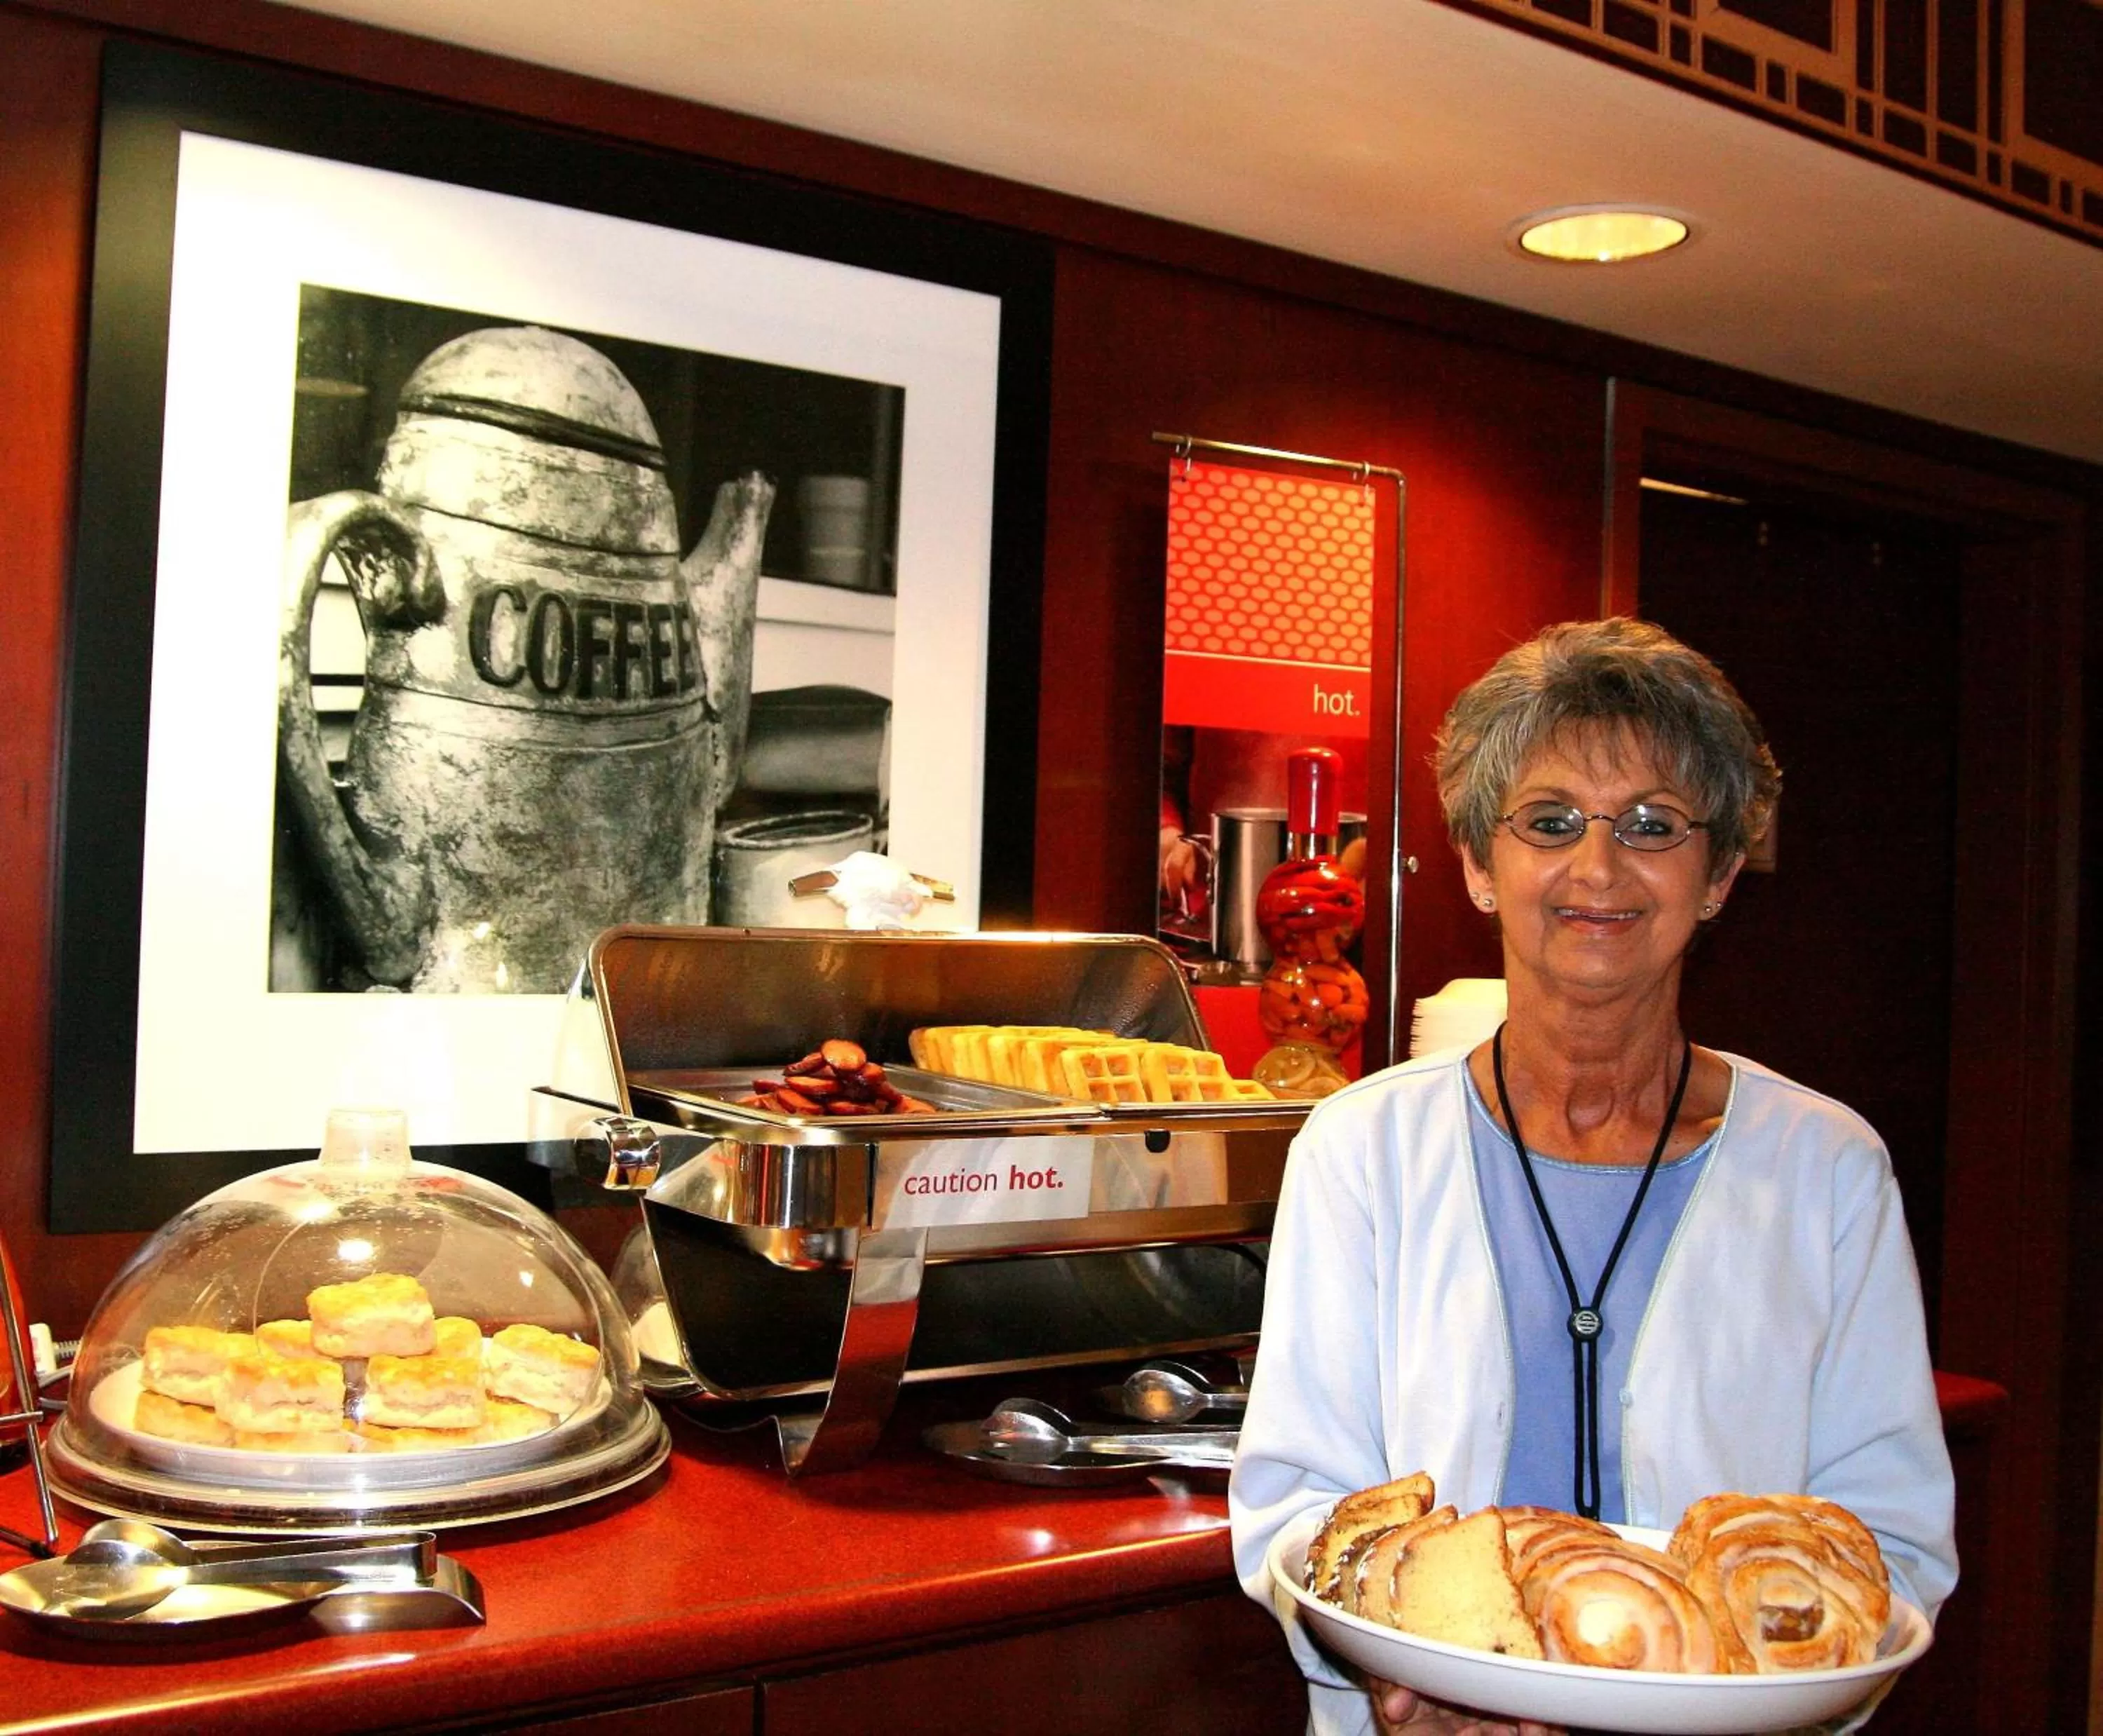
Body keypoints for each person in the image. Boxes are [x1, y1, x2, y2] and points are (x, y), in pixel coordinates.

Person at [1228, 618, 1956, 1736]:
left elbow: (1889, 1544)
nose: (1598, 867)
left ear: (1717, 875)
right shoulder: (1360, 1154)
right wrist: (1405, 1678)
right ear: (1479, 861)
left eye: (1654, 826)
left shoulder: (1828, 1171)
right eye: (1551, 821)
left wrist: (1732, 1693)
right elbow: (1297, 1506)